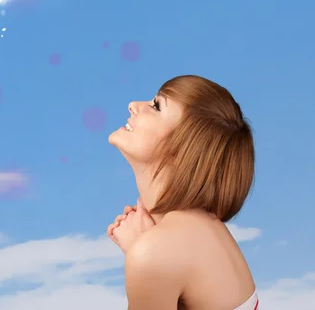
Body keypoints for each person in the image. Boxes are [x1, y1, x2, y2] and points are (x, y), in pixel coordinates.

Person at [107, 75, 258, 310]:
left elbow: (160, 259)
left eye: (156, 107)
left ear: (182, 149)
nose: (133, 105)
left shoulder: (156, 253)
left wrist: (143, 254)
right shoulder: (199, 231)